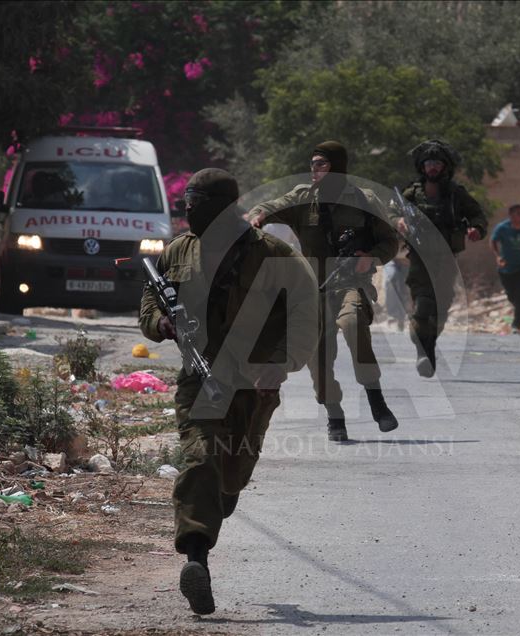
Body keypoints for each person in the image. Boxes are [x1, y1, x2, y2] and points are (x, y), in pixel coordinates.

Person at [139, 168, 318, 615]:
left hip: (253, 387)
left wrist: (281, 364)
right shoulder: (180, 251)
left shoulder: (274, 255)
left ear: (219, 207)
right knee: (199, 459)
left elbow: (305, 313)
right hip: (199, 381)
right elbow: (150, 297)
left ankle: (218, 501)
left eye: (193, 203)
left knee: (230, 478)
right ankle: (196, 560)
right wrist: (160, 324)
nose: (186, 211)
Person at [248, 141, 400, 442]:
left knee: (353, 323)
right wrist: (257, 217)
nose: (314, 169)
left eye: (321, 164)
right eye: (313, 163)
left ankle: (376, 398)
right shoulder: (304, 197)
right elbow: (268, 207)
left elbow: (389, 242)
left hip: (349, 283)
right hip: (311, 290)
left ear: (337, 168)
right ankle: (334, 414)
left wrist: (369, 258)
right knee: (317, 358)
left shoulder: (363, 199)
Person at [393, 139, 488, 377]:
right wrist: (399, 221)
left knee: (441, 309)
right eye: (428, 163)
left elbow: (477, 215)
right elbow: (393, 210)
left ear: (445, 167)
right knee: (423, 304)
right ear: (422, 167)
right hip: (420, 258)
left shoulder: (456, 195)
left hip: (446, 259)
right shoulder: (411, 193)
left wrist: (476, 229)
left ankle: (428, 347)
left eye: (437, 163)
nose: (432, 168)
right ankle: (421, 348)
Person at [490, 204, 520, 334]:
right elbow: (493, 241)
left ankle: (516, 324)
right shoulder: (502, 228)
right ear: (511, 216)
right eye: (519, 214)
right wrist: (498, 257)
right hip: (505, 268)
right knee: (511, 295)